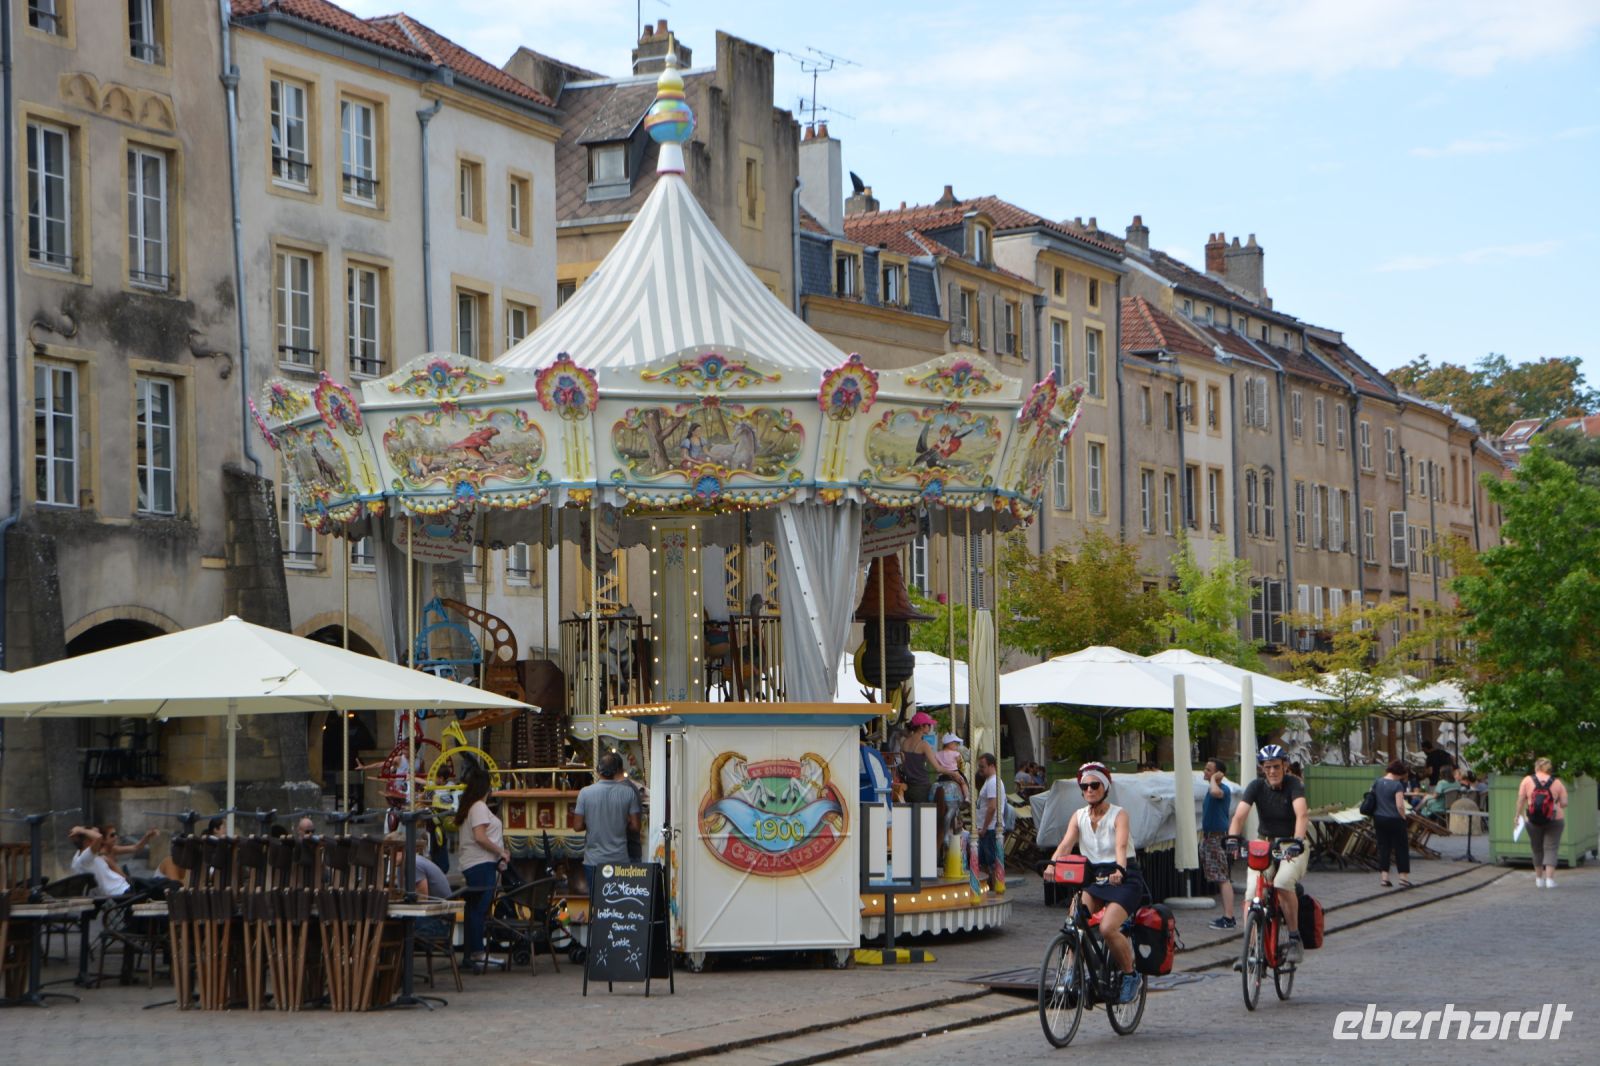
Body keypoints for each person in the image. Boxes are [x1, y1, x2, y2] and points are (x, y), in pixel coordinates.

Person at [1048, 763, 1145, 1004]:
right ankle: (1072, 972)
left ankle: (1131, 975)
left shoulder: (1119, 814)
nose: (1089, 790)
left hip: (1124, 877)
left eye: (1094, 785)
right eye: (1085, 786)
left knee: (1107, 928)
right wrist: (1052, 864)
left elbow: (1121, 845)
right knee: (1074, 921)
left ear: (1105, 787)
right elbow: (1066, 844)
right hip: (1095, 877)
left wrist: (1119, 869)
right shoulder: (1079, 816)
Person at [1227, 744, 1310, 963]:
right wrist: (1233, 840)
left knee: (1282, 882)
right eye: (1267, 767)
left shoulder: (1294, 785)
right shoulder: (1256, 786)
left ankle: (1294, 938)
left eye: (1276, 766)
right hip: (1264, 843)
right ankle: (1251, 950)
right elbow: (1239, 816)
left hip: (1291, 843)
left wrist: (1298, 841)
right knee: (1252, 893)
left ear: (1284, 766)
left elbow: (1301, 815)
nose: (1272, 771)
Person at [457, 768, 511, 970]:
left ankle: (472, 953)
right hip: (481, 863)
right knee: (479, 909)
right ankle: (477, 952)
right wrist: (500, 851)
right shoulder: (479, 807)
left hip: (476, 863)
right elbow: (480, 836)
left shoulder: (471, 806)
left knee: (474, 909)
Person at [572, 751, 642, 890]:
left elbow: (577, 826)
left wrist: (593, 822)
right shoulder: (628, 792)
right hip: (620, 859)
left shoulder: (585, 793)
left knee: (596, 901)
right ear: (616, 771)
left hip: (594, 860)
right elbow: (636, 826)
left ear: (598, 770)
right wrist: (621, 823)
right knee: (619, 903)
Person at [1516, 757, 1569, 889]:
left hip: (1532, 820)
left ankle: (1539, 879)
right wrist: (1554, 803)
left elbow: (1521, 800)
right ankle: (1550, 880)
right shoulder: (1557, 782)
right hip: (1555, 819)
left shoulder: (1527, 780)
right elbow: (1564, 803)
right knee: (1551, 848)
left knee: (1536, 848)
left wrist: (1517, 815)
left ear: (1536, 767)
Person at [1201, 759, 1237, 929]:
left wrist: (1215, 779)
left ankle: (1229, 917)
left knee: (1223, 878)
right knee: (1220, 877)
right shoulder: (1211, 789)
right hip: (1210, 837)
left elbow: (1216, 793)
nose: (1205, 772)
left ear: (1218, 774)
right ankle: (1227, 916)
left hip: (1217, 838)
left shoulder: (1222, 789)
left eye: (1209, 770)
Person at [1371, 760, 1413, 888]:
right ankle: (1403, 878)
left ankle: (1384, 878)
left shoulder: (1377, 782)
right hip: (1395, 819)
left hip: (1379, 818)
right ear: (1399, 773)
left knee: (1384, 847)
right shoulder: (1397, 785)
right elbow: (1400, 805)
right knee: (1401, 847)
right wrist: (1404, 816)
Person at [68, 826, 132, 898]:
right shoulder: (85, 858)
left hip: (121, 889)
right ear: (86, 842)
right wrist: (82, 830)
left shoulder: (79, 856)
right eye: (92, 838)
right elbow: (98, 838)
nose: (100, 843)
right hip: (120, 891)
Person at [974, 753, 1005, 894]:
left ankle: (994, 885)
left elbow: (992, 807)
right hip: (986, 827)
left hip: (990, 828)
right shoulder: (989, 781)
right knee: (985, 860)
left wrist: (985, 827)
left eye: (983, 766)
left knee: (991, 860)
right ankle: (989, 886)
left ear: (991, 766)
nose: (980, 769)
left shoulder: (993, 782)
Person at [899, 711, 938, 803]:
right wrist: (953, 774)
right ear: (921, 726)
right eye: (928, 725)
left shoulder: (904, 742)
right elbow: (937, 767)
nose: (930, 727)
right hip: (922, 786)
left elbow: (903, 763)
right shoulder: (924, 745)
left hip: (908, 786)